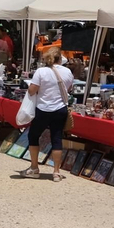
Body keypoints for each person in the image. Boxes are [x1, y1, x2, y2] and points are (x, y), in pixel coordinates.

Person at [16, 48, 74, 180]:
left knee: (33, 135)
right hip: (60, 108)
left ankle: (34, 168)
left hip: (43, 108)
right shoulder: (67, 72)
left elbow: (32, 90)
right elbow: (69, 88)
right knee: (57, 138)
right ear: (60, 58)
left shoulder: (41, 71)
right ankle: (56, 172)